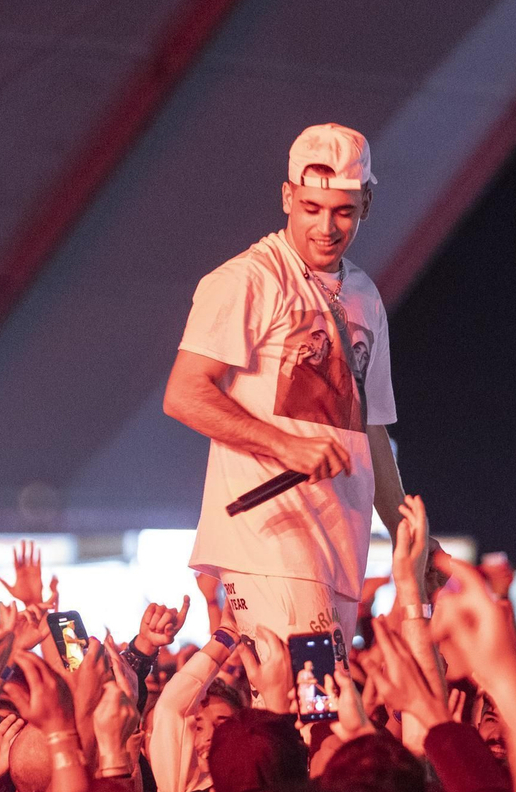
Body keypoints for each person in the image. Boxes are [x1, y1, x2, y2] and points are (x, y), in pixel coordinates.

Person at [163, 123, 411, 662]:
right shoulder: (246, 279)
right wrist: (284, 444)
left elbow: (372, 427)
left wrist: (403, 531)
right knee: (306, 707)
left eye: (343, 211)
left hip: (342, 544)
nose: (327, 226)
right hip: (268, 539)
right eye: (311, 208)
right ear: (286, 197)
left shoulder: (365, 294)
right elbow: (183, 393)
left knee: (325, 719)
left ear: (366, 202)